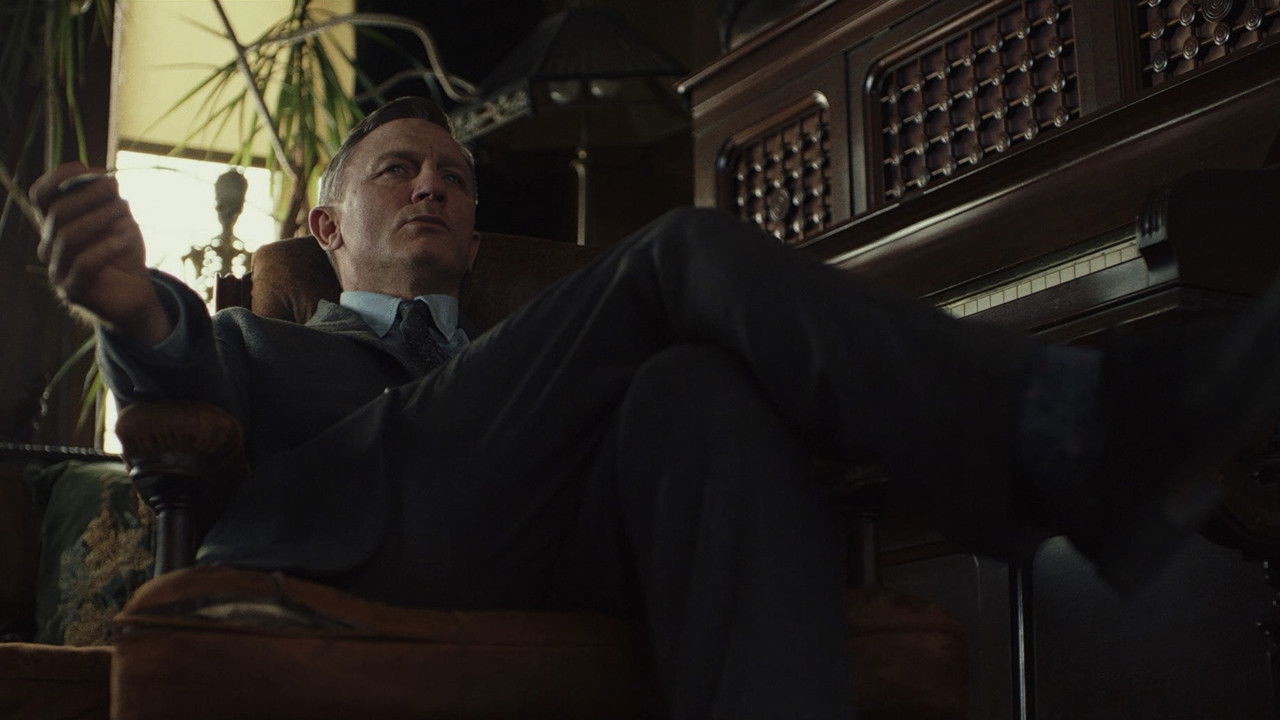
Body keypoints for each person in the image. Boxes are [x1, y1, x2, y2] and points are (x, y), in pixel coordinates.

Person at [29, 96, 1277, 719]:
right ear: (324, 225)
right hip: (362, 533)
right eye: (397, 171)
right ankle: (1063, 434)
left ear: (476, 237)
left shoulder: (540, 362)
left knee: (693, 389)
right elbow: (186, 383)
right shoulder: (263, 339)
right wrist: (134, 312)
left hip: (547, 542)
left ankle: (1068, 442)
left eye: (454, 180)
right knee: (680, 248)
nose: (431, 189)